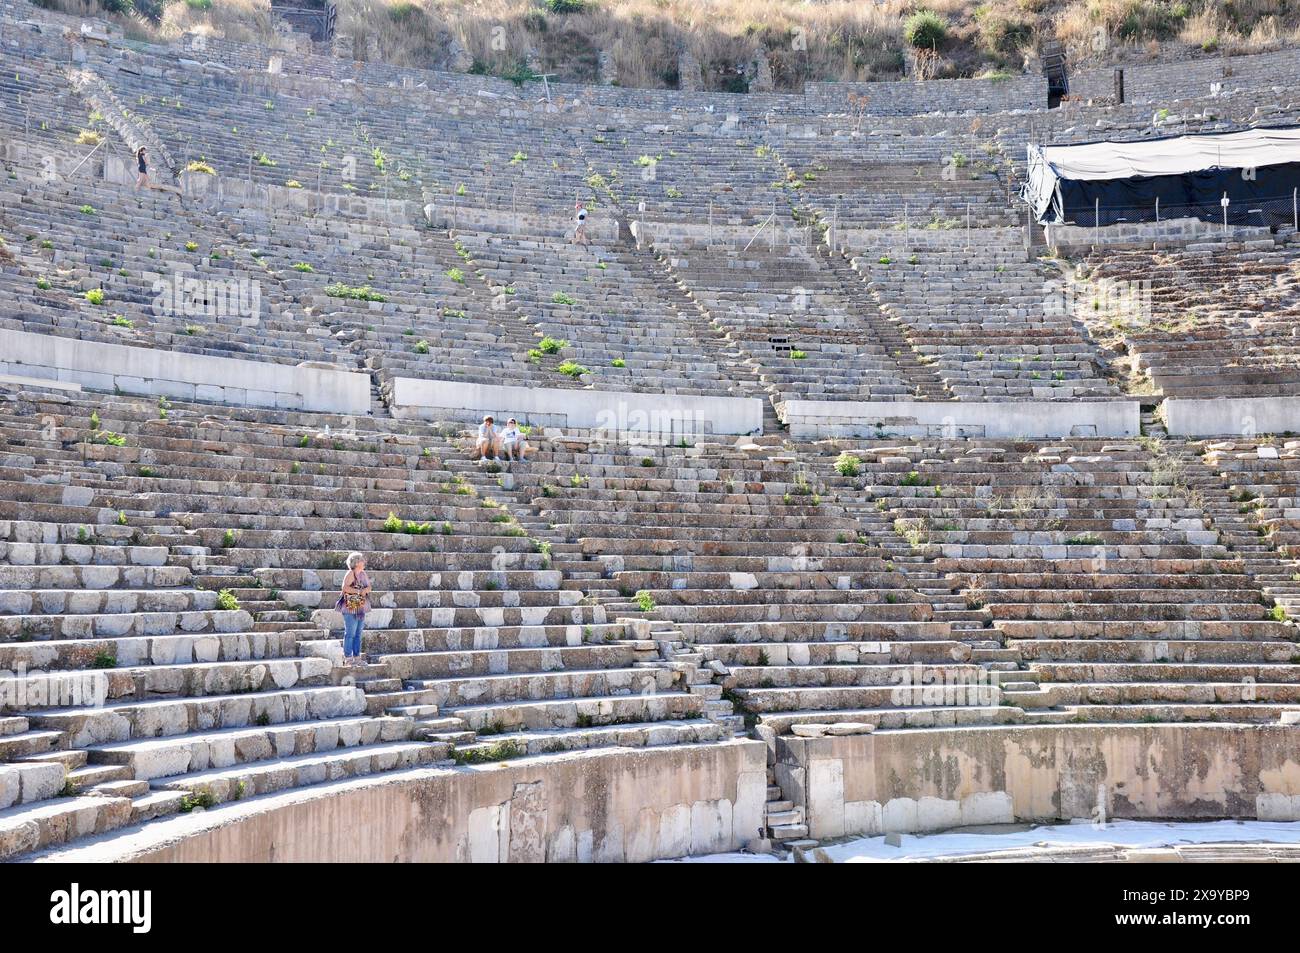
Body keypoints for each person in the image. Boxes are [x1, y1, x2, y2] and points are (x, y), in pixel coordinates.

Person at [338, 552, 371, 662]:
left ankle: (357, 657)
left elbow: (369, 587)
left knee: (358, 633)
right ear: (356, 563)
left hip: (360, 607)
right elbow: (345, 588)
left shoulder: (363, 574)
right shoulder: (350, 574)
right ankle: (348, 657)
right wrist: (358, 591)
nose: (364, 562)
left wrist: (365, 590)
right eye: (362, 560)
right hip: (349, 607)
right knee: (350, 633)